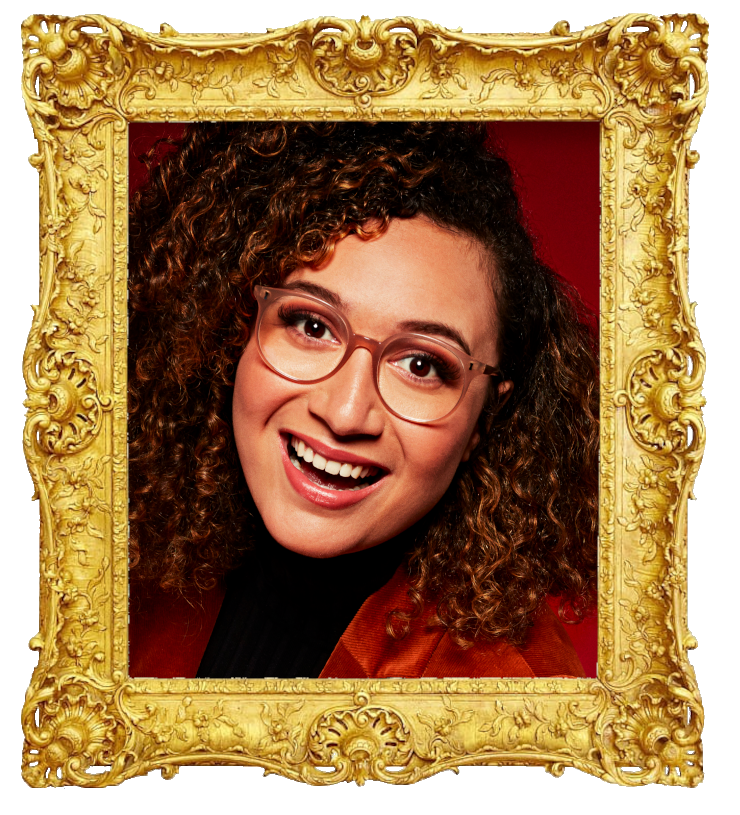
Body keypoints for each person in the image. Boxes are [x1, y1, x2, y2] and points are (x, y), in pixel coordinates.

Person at [127, 122, 599, 679]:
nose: (346, 412)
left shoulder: (514, 700)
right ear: (235, 326)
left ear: (484, 418)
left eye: (421, 365)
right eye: (310, 324)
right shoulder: (118, 553)